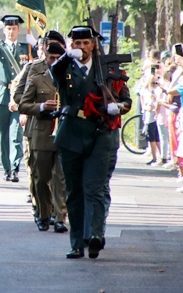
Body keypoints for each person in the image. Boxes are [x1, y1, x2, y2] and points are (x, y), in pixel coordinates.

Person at [51, 26, 131, 259]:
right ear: (72, 45)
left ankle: (95, 235)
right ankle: (77, 242)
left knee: (94, 188)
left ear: (93, 44)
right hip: (72, 132)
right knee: (74, 191)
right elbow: (54, 71)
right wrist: (66, 55)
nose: (82, 48)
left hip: (100, 133)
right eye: (77, 44)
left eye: (86, 43)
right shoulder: (65, 67)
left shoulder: (107, 68)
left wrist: (120, 108)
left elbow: (126, 99)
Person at [18, 40, 67, 233]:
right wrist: (40, 107)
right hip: (41, 132)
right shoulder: (37, 78)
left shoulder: (70, 77)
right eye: (51, 58)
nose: (54, 61)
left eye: (58, 58)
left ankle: (60, 217)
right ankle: (43, 213)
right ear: (45, 58)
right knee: (41, 177)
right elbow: (23, 104)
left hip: (63, 132)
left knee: (60, 178)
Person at [0, 15, 26, 182]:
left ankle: (16, 167)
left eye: (14, 28)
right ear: (4, 30)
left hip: (19, 96)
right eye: (8, 29)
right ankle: (7, 168)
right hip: (2, 94)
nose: (11, 31)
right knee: (3, 134)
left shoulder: (25, 49)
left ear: (18, 30)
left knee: (16, 133)